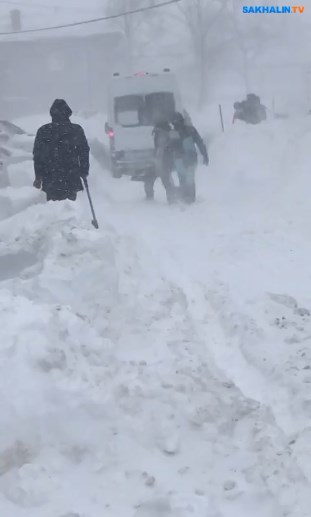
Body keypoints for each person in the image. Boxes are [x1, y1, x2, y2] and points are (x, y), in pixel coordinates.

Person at [33, 99, 90, 201]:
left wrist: (38, 176)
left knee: (54, 210)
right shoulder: (76, 130)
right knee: (69, 207)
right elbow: (84, 152)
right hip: (71, 177)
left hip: (50, 178)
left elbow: (38, 156)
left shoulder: (43, 131)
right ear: (68, 113)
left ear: (51, 113)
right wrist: (84, 170)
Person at [170, 112, 208, 204]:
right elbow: (199, 142)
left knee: (184, 178)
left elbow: (170, 148)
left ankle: (187, 196)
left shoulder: (173, 132)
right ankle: (189, 197)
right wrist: (204, 154)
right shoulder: (190, 130)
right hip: (189, 158)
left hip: (180, 158)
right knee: (188, 178)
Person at [143, 118, 176, 203]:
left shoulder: (161, 135)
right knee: (165, 181)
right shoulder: (166, 134)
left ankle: (150, 198)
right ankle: (171, 198)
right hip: (161, 160)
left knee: (154, 179)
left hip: (162, 161)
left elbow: (161, 148)